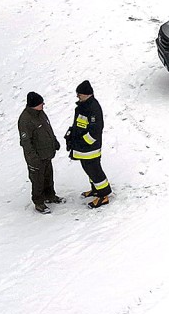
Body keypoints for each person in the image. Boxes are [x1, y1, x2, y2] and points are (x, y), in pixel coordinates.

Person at [66, 80, 112, 209]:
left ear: (87, 94)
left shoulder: (93, 108)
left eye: (79, 94)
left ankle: (103, 195)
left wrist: (82, 142)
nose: (78, 96)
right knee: (89, 170)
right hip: (83, 148)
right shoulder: (83, 106)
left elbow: (95, 131)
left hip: (89, 149)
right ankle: (95, 189)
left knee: (95, 171)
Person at [19, 91, 62, 214]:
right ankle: (39, 202)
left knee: (48, 176)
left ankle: (50, 195)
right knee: (37, 180)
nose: (43, 104)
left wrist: (54, 141)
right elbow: (26, 142)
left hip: (47, 153)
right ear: (33, 105)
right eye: (40, 103)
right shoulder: (25, 120)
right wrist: (33, 158)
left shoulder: (41, 113)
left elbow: (48, 128)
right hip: (36, 157)